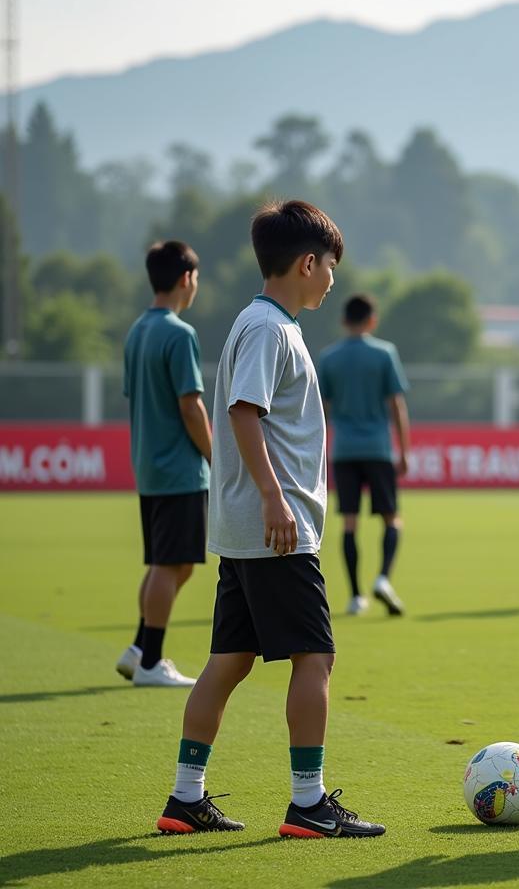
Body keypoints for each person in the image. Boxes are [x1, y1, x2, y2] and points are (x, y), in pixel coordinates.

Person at [156, 199, 385, 839]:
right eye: (331, 267)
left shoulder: (267, 323)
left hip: (251, 527)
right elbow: (243, 410)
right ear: (308, 263)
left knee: (228, 660)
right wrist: (274, 497)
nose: (333, 280)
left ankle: (184, 798)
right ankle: (308, 804)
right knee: (316, 659)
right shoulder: (268, 328)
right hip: (275, 529)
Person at [117, 241, 211, 689]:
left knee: (169, 562)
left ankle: (138, 648)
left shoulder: (137, 330)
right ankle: (151, 661)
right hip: (179, 468)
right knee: (169, 564)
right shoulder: (179, 333)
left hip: (149, 466)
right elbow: (191, 406)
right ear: (186, 278)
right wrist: (217, 455)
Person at [319, 294, 410, 617]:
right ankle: (383, 578)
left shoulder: (329, 358)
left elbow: (322, 410)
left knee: (350, 522)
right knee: (391, 518)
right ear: (372, 320)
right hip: (377, 448)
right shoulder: (384, 353)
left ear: (344, 321)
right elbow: (396, 404)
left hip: (343, 449)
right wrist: (404, 450)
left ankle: (356, 595)